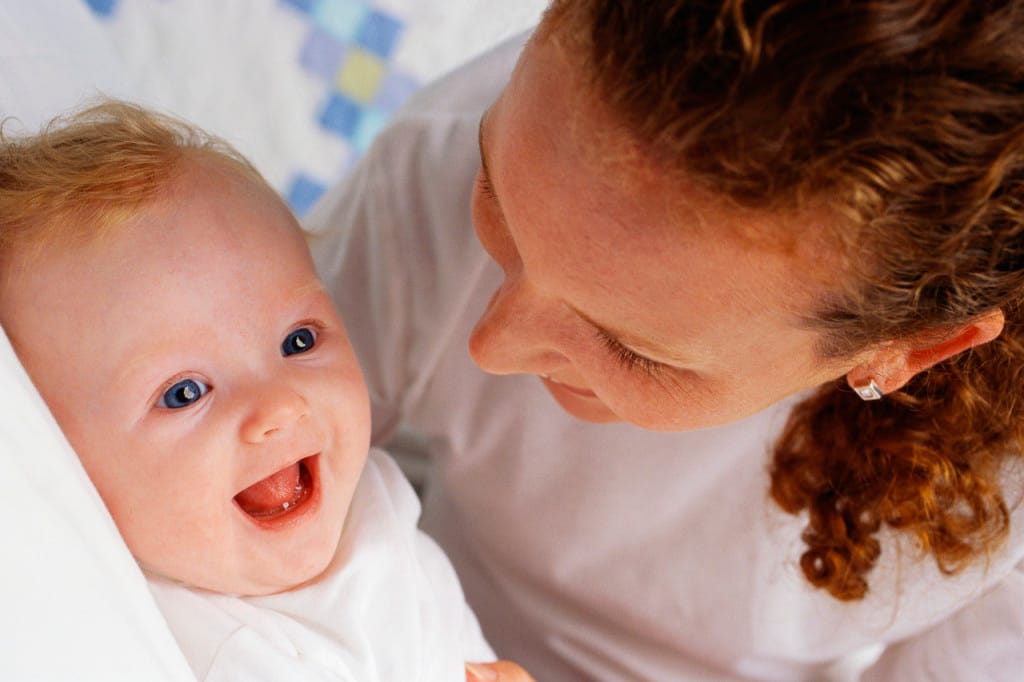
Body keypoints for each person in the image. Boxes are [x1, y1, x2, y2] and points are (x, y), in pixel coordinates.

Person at [306, 0, 1024, 679]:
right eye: (495, 197)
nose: (490, 347)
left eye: (630, 349)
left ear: (911, 351)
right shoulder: (466, 142)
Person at [0, 101, 531, 682]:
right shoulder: (196, 644)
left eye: (299, 340)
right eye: (184, 393)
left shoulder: (377, 509)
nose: (278, 406)